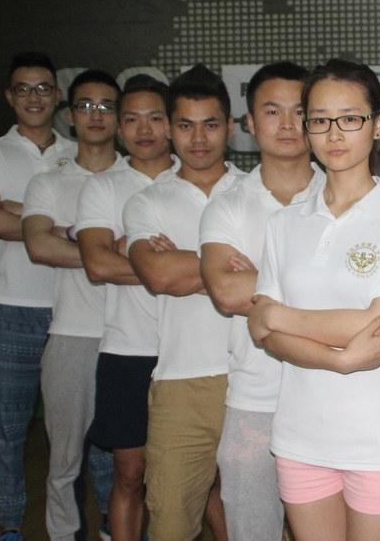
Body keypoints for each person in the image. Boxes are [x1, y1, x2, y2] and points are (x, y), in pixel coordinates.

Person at [246, 58, 380, 541]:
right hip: (299, 437)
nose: (334, 134)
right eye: (319, 120)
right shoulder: (283, 224)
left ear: (379, 123)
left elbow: (376, 324)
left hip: (375, 439)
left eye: (350, 118)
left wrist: (277, 314)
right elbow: (263, 335)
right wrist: (341, 360)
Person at [199, 61, 325, 540]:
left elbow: (366, 293)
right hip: (255, 400)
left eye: (300, 111)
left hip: (334, 395)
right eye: (273, 111)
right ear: (250, 123)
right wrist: (320, 280)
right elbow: (226, 292)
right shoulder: (228, 204)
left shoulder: (348, 197)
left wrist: (259, 277)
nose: (288, 124)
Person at [123, 64, 243, 540]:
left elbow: (288, 275)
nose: (198, 138)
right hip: (180, 383)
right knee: (171, 523)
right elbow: (158, 274)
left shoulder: (257, 194)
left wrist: (186, 264)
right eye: (186, 125)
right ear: (170, 130)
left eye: (210, 124)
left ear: (230, 127)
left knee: (261, 521)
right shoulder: (148, 201)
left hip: (259, 375)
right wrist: (235, 270)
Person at [0, 51, 77, 541]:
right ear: (10, 97)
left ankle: (92, 523)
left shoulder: (80, 152)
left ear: (57, 96)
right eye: (24, 89)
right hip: (12, 308)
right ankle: (10, 525)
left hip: (77, 309)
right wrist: (58, 226)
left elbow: (101, 225)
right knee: (7, 427)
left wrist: (19, 210)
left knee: (79, 430)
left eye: (43, 88)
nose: (34, 97)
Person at [21, 68, 122, 541]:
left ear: (119, 116)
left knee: (132, 459)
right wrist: (108, 253)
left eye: (106, 106)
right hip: (71, 336)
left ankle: (119, 530)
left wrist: (74, 240)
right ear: (69, 115)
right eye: (85, 106)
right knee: (64, 459)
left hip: (134, 339)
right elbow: (38, 246)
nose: (95, 115)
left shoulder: (140, 179)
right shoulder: (48, 182)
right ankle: (64, 534)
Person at [77, 74, 178, 541]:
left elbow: (224, 269)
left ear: (172, 124)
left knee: (207, 479)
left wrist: (130, 254)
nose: (144, 130)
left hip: (193, 353)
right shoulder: (102, 187)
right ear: (118, 128)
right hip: (126, 352)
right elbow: (97, 264)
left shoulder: (203, 181)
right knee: (130, 475)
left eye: (155, 118)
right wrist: (167, 266)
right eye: (132, 119)